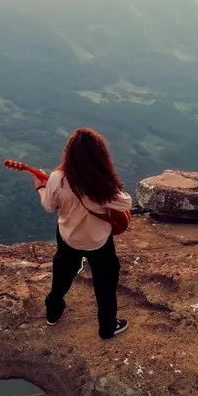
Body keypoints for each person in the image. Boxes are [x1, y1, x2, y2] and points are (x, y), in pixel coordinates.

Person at [35, 127, 133, 339]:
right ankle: (107, 328)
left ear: (69, 153)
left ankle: (53, 312)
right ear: (100, 157)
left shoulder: (57, 178)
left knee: (62, 274)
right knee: (105, 284)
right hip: (98, 241)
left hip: (68, 237)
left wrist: (41, 188)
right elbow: (126, 202)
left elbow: (49, 206)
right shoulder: (101, 186)